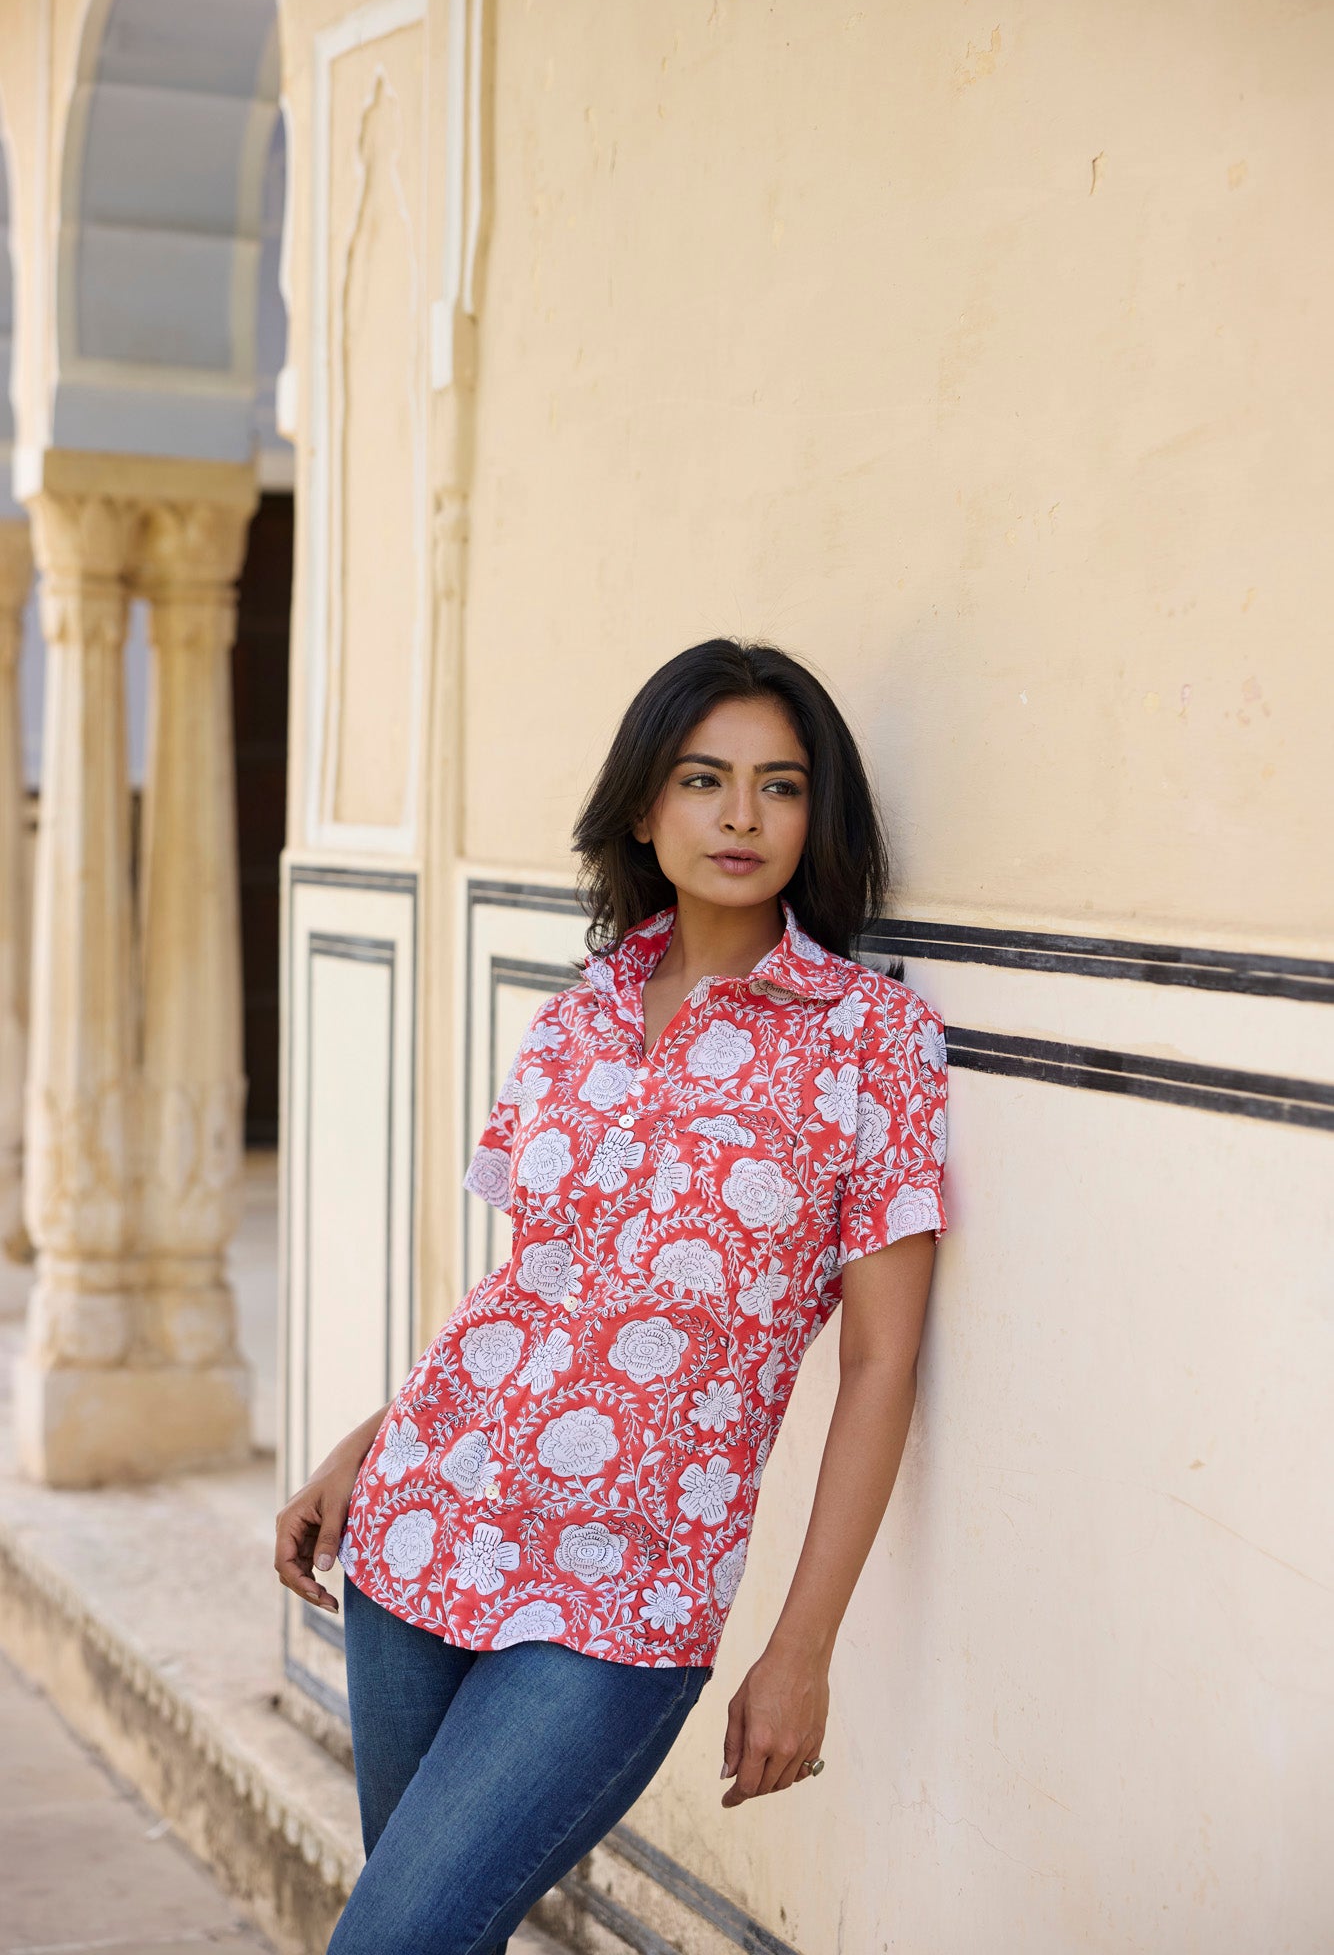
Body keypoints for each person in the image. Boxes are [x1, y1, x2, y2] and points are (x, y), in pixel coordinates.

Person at [275, 637, 950, 1955]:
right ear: (645, 808)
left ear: (819, 817)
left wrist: (800, 1648)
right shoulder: (571, 1019)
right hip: (421, 1527)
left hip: (624, 1596)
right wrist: (367, 1444)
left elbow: (878, 1363)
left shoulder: (870, 1042)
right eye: (704, 779)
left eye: (780, 784)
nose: (742, 816)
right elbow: (530, 1287)